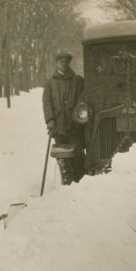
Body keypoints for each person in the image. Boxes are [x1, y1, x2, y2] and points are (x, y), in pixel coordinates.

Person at [43, 50, 85, 185]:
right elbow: (47, 102)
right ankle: (66, 179)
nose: (64, 64)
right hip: (58, 124)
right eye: (61, 61)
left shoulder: (77, 80)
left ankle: (80, 179)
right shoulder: (50, 83)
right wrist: (50, 120)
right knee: (61, 154)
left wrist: (78, 116)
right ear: (57, 63)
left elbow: (82, 99)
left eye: (66, 61)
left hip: (74, 124)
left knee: (76, 151)